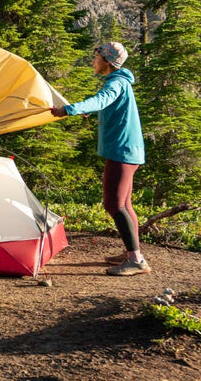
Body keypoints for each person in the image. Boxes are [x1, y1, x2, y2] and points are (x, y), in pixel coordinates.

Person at [51, 42, 149, 276]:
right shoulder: (121, 82)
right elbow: (106, 105)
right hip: (129, 151)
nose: (93, 61)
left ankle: (135, 260)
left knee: (113, 204)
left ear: (107, 61)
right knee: (125, 205)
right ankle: (132, 253)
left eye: (96, 57)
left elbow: (102, 100)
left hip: (121, 152)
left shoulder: (116, 83)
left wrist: (69, 109)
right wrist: (85, 109)